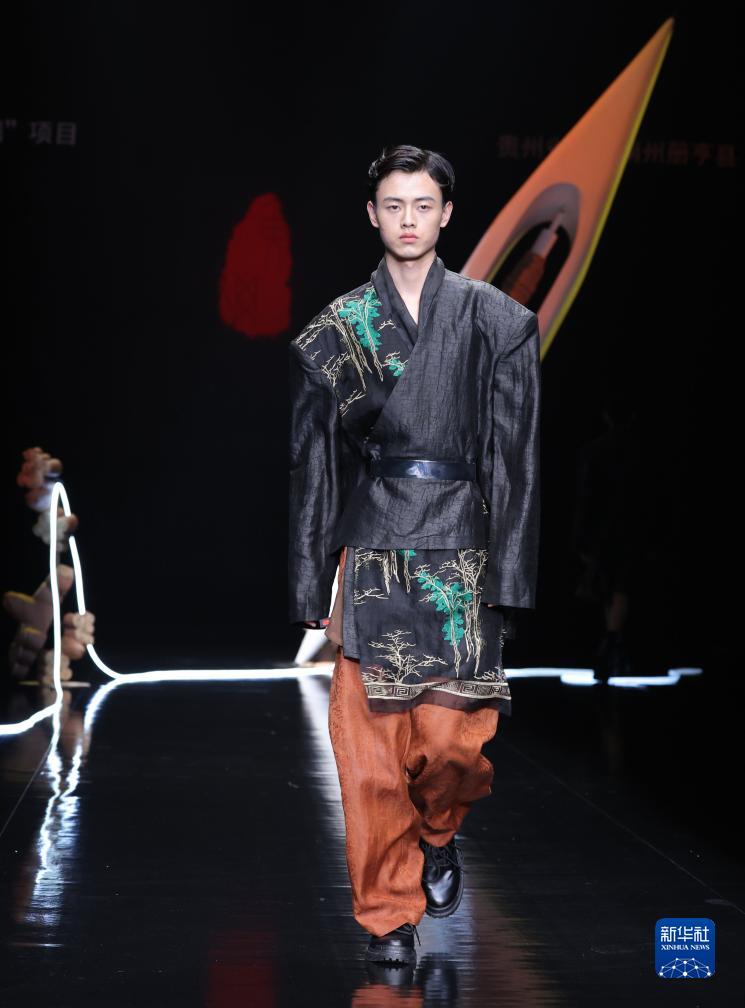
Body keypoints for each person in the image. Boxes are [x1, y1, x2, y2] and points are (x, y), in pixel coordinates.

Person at [287, 144, 541, 965]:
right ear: (372, 215)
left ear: (446, 213)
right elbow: (315, 464)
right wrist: (309, 580)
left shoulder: (496, 320)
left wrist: (511, 574)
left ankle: (437, 831)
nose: (407, 219)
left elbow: (515, 458)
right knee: (368, 759)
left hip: (461, 549)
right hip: (373, 549)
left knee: (454, 750)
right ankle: (387, 919)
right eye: (393, 205)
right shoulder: (338, 329)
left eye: (422, 205)